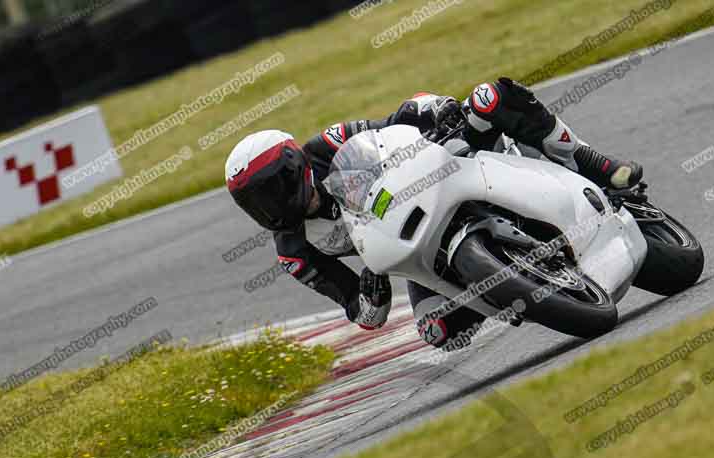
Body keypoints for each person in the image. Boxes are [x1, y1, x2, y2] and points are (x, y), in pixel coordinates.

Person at [225, 77, 643, 350]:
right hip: (414, 248)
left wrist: (435, 111)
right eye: (254, 203)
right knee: (437, 331)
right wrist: (372, 293)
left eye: (270, 191)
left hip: (438, 176)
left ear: (293, 167)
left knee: (488, 97)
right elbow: (362, 313)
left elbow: (391, 126)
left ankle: (595, 163)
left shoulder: (326, 146)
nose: (269, 208)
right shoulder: (294, 252)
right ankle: (516, 285)